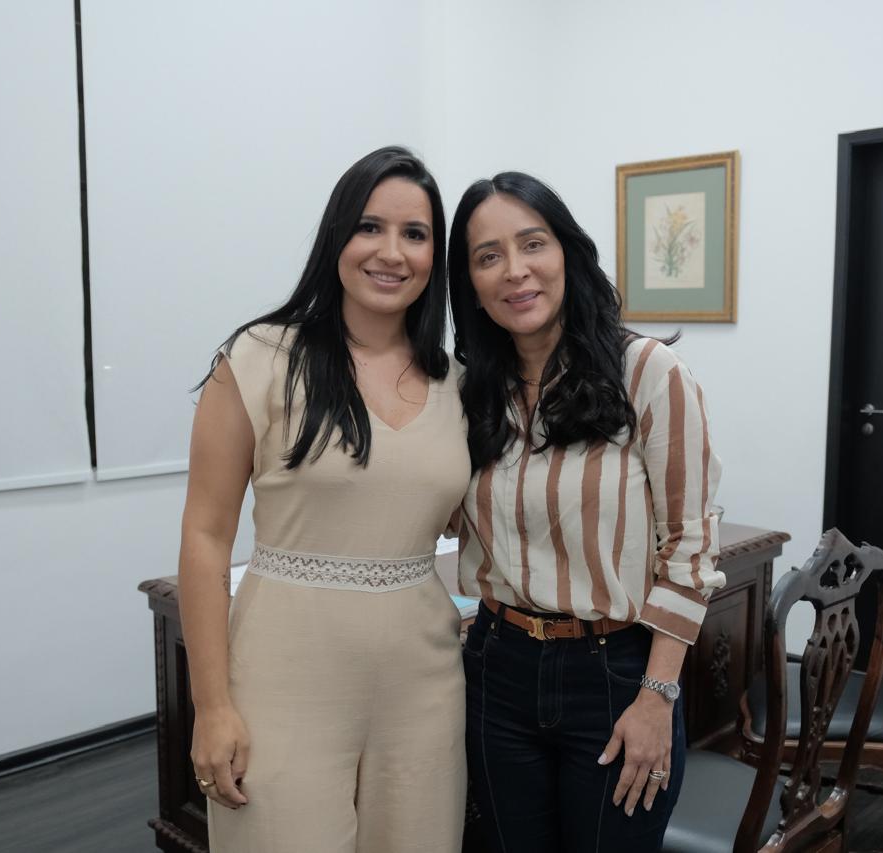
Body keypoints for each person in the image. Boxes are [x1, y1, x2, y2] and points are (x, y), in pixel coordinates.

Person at [177, 146, 470, 853]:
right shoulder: (259, 358)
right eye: (369, 227)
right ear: (337, 235)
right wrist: (211, 706)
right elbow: (206, 537)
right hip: (282, 677)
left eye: (415, 234)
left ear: (434, 256)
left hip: (424, 683)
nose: (391, 252)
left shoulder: (458, 383)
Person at [448, 172, 724, 852]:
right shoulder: (469, 393)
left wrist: (657, 696)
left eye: (532, 243)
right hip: (496, 665)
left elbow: (690, 547)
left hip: (616, 672)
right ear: (471, 285)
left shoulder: (647, 373)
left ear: (567, 252)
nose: (515, 271)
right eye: (488, 256)